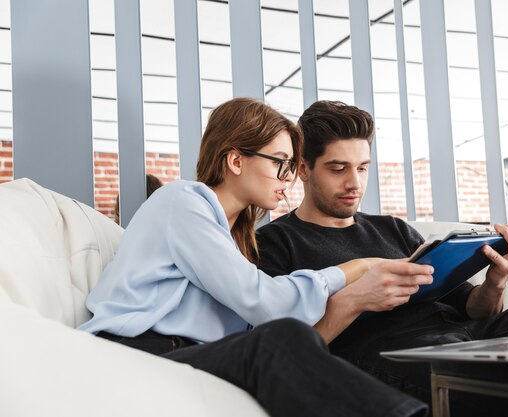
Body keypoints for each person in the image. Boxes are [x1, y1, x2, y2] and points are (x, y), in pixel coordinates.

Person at [79, 98, 429, 417]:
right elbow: (267, 303)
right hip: (136, 354)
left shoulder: (235, 237)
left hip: (187, 355)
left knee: (290, 339)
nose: (288, 179)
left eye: (291, 166)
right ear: (235, 160)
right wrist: (359, 266)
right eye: (280, 163)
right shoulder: (181, 201)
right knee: (281, 340)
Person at [256, 100, 508, 406]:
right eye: (338, 169)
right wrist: (357, 299)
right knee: (487, 381)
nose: (354, 183)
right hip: (396, 356)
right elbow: (286, 349)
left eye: (363, 168)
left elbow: (474, 310)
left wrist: (495, 283)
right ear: (303, 168)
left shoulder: (393, 228)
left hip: (467, 335)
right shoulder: (274, 243)